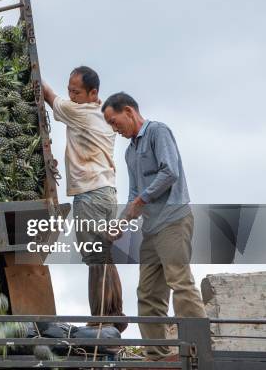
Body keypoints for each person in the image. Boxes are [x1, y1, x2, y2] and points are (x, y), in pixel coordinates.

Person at [101, 92, 207, 362]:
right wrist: (121, 223)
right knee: (148, 293)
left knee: (180, 282)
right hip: (151, 229)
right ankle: (157, 356)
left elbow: (169, 172)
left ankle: (200, 348)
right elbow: (133, 194)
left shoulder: (158, 132)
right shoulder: (130, 152)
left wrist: (142, 199)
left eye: (115, 122)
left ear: (128, 111)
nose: (115, 129)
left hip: (173, 220)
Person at [43, 66, 126, 332]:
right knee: (104, 253)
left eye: (76, 92)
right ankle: (115, 312)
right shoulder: (103, 115)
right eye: (69, 90)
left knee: (93, 256)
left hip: (90, 193)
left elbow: (48, 95)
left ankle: (100, 316)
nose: (71, 95)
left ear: (93, 93)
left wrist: (31, 69)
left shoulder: (81, 112)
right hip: (107, 192)